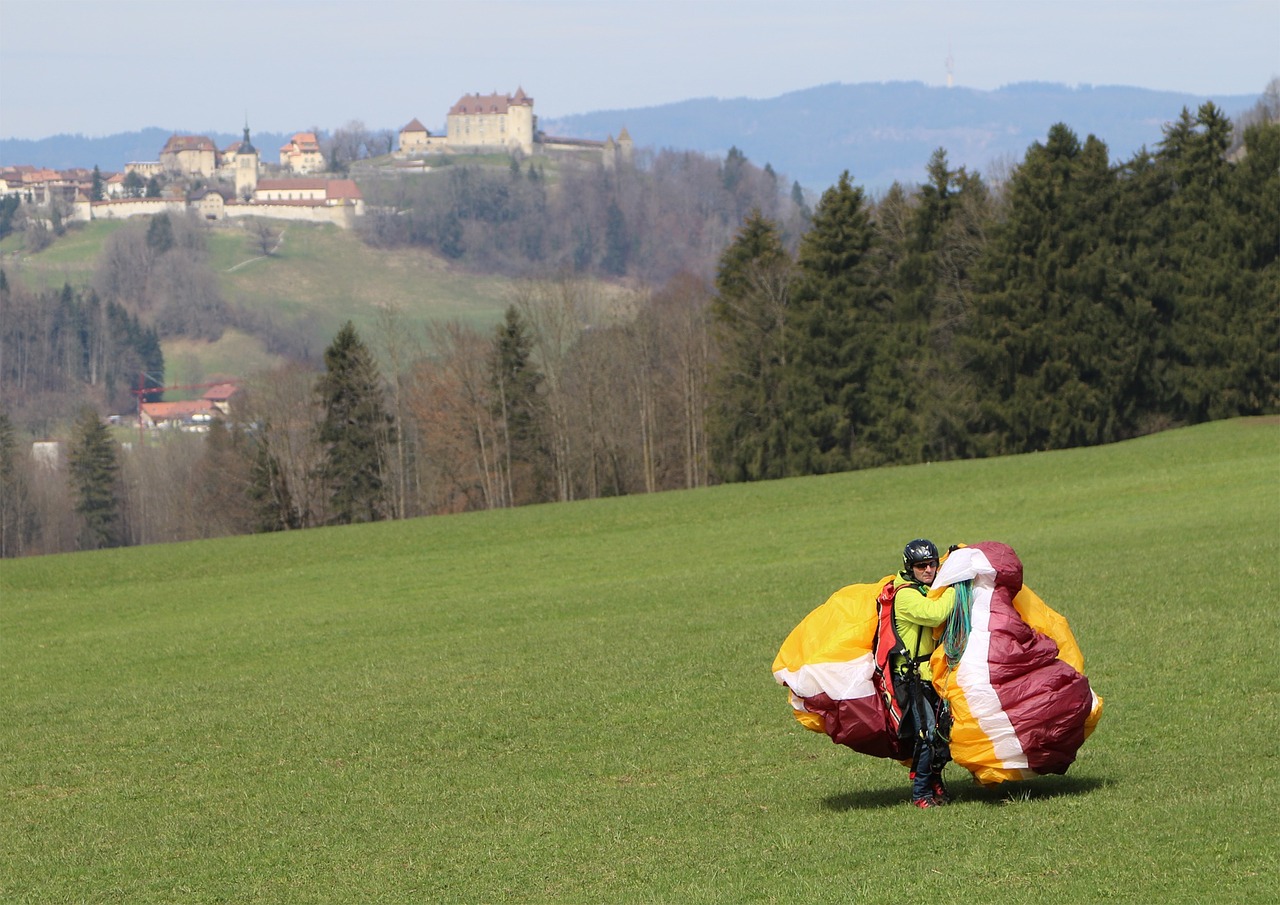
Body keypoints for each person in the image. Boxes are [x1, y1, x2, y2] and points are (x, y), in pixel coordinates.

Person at [889, 538, 957, 808]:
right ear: (910, 567)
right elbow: (935, 615)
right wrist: (955, 586)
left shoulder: (926, 589)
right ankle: (921, 794)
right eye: (921, 566)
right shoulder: (906, 596)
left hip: (932, 672)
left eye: (932, 564)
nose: (928, 570)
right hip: (911, 677)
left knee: (944, 731)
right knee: (926, 734)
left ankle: (935, 781)